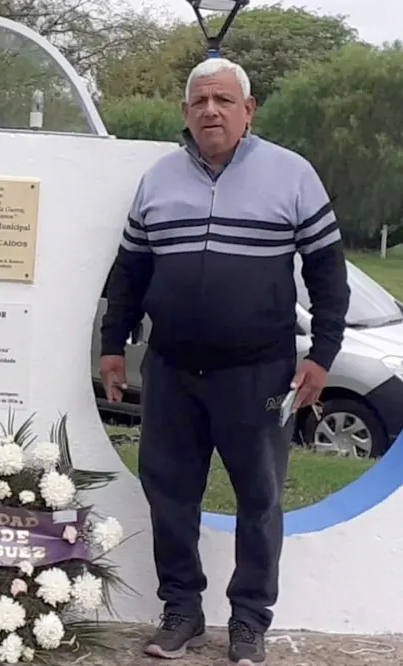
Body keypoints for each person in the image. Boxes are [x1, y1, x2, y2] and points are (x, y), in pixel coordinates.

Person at [99, 57, 349, 666]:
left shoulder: (292, 175)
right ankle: (181, 611)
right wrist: (112, 344)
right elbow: (130, 272)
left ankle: (249, 623)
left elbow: (328, 275)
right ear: (186, 113)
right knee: (169, 494)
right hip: (172, 369)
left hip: (257, 372)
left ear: (247, 110)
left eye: (223, 101)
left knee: (259, 498)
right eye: (199, 102)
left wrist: (323, 356)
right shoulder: (158, 180)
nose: (211, 111)